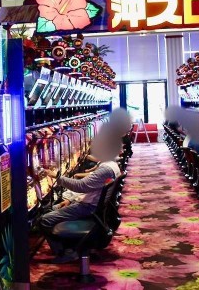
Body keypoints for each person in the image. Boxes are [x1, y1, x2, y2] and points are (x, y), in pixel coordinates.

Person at [39, 108, 131, 262]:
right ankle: (69, 245)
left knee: (44, 219)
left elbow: (81, 186)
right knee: (57, 206)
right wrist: (71, 199)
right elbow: (89, 185)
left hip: (88, 208)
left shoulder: (106, 168)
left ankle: (65, 252)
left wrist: (57, 176)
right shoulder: (112, 164)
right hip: (93, 205)